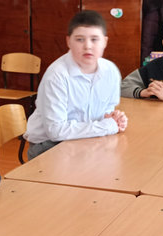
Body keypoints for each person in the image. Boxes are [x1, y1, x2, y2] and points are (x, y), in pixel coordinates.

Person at [24, 10, 128, 159]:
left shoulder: (111, 71)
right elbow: (56, 131)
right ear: (68, 41)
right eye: (80, 39)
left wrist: (114, 118)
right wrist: (107, 126)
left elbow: (107, 110)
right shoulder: (57, 75)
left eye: (94, 39)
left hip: (86, 139)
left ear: (105, 41)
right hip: (49, 145)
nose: (87, 46)